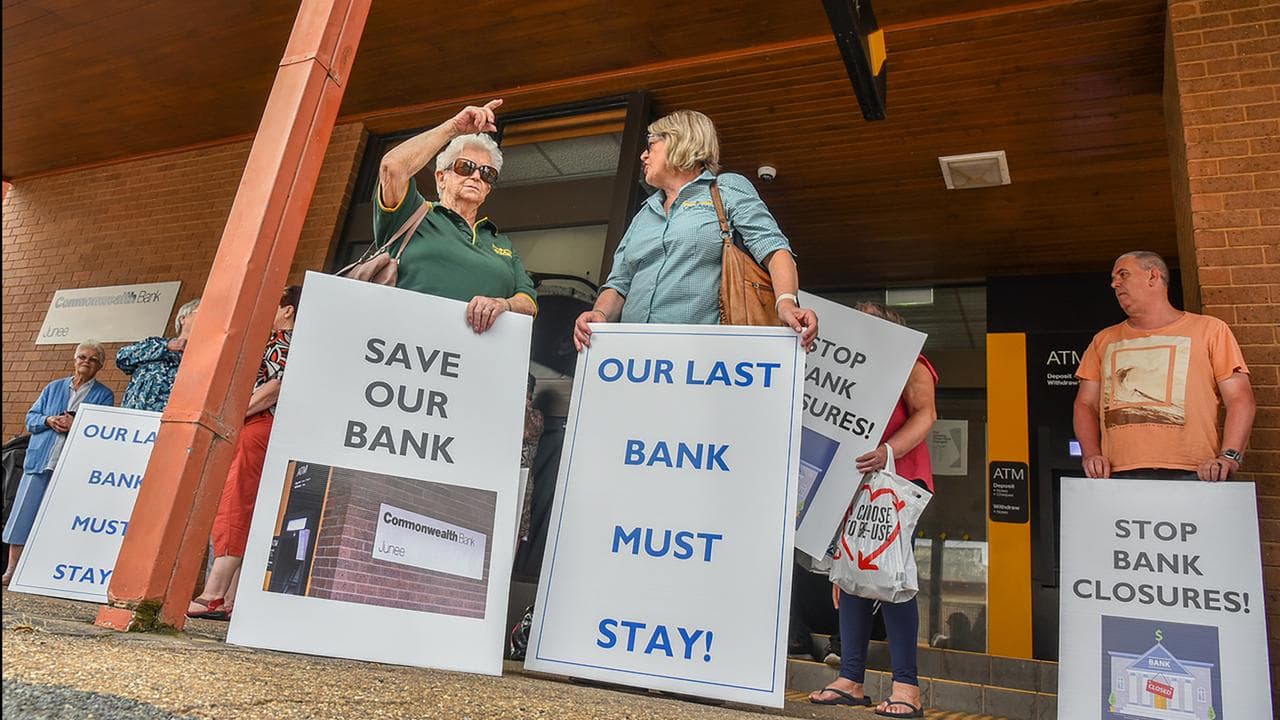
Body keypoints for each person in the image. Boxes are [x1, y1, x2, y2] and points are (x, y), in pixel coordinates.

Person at [572, 109, 817, 348]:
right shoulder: (644, 214)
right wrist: (600, 315)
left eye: (651, 146)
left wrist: (786, 303)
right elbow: (619, 283)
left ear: (680, 142)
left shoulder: (725, 190)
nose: (643, 156)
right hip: (633, 355)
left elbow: (774, 250)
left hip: (699, 358)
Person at [809, 302, 937, 719]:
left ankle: (907, 688)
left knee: (890, 576)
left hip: (893, 482)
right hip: (851, 482)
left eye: (866, 317)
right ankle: (850, 679)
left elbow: (925, 414)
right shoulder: (848, 368)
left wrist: (887, 452)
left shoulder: (911, 362)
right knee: (849, 580)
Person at [1073, 251, 1255, 481]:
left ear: (1153, 276)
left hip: (1197, 472)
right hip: (1117, 474)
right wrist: (1091, 454)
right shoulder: (1104, 340)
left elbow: (1240, 398)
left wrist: (1229, 457)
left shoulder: (1210, 330)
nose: (1114, 283)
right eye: (1113, 278)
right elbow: (1085, 404)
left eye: (1123, 274)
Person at [374, 98, 537, 331]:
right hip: (400, 344)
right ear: (441, 177)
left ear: (488, 188)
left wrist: (504, 304)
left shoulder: (501, 243)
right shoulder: (414, 214)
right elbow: (392, 166)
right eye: (465, 167)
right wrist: (452, 128)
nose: (476, 177)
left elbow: (529, 302)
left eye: (487, 173)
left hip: (466, 357)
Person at [187, 286, 299, 619]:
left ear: (289, 310)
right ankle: (230, 598)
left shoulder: (279, 339)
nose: (271, 310)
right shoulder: (303, 343)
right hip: (270, 430)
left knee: (235, 503)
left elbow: (275, 386)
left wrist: (233, 416)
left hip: (256, 427)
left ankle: (214, 593)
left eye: (276, 304)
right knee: (251, 507)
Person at [2, 342, 115, 584]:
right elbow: (31, 418)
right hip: (40, 460)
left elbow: (103, 427)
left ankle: (42, 572)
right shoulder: (53, 387)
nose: (86, 361)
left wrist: (78, 425)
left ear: (100, 366)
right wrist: (48, 419)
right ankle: (11, 570)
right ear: (75, 360)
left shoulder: (104, 395)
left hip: (72, 467)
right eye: (82, 357)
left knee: (57, 519)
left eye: (93, 359)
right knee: (23, 514)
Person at [116, 297, 201, 411]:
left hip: (171, 420)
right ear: (182, 319)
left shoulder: (202, 356)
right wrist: (165, 347)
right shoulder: (155, 343)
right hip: (134, 416)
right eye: (200, 311)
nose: (205, 317)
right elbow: (122, 358)